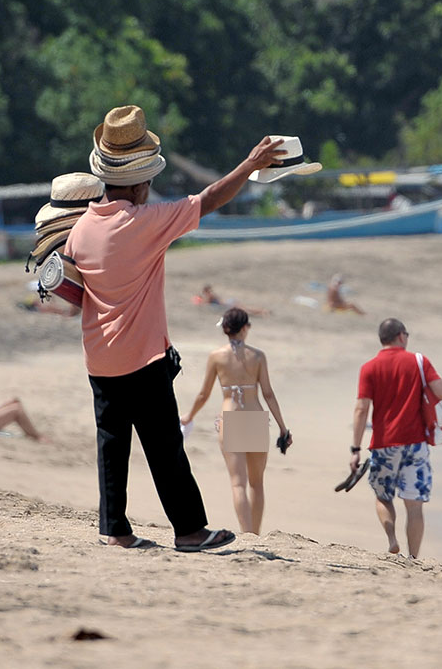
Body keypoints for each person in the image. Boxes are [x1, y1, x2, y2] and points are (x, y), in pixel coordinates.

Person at [65, 104, 287, 551]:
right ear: (138, 183)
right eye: (148, 182)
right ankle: (189, 530)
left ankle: (115, 530)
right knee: (165, 446)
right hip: (142, 356)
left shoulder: (81, 228)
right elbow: (208, 200)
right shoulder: (145, 222)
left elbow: (75, 295)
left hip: (99, 357)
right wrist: (250, 165)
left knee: (112, 445)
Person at [181, 308, 290, 534]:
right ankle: (255, 533)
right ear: (244, 328)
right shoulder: (258, 356)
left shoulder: (216, 356)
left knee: (238, 483)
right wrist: (282, 427)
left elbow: (203, 394)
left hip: (230, 418)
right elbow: (268, 394)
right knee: (257, 483)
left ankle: (246, 532)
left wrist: (189, 416)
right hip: (255, 417)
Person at [351, 318, 442, 559]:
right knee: (414, 506)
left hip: (384, 443)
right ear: (401, 336)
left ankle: (392, 539)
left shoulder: (369, 367)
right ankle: (413, 558)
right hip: (416, 443)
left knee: (383, 497)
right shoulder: (418, 362)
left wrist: (355, 448)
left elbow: (361, 409)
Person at [194, 284, 270, 317]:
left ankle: (262, 312)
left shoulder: (210, 296)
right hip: (228, 303)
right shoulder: (211, 295)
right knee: (245, 309)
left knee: (245, 310)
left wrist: (200, 301)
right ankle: (262, 311)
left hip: (228, 304)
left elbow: (211, 302)